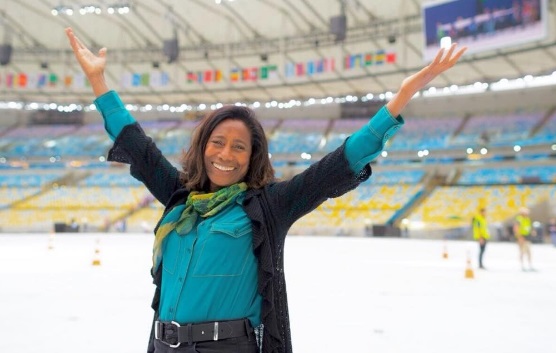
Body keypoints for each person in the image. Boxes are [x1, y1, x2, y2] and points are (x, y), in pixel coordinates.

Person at [65, 27, 466, 353]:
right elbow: (138, 146)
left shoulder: (268, 206)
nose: (226, 154)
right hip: (162, 345)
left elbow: (338, 164)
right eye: (217, 142)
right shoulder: (179, 196)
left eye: (239, 147)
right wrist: (98, 81)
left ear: (252, 157)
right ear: (203, 145)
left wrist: (401, 99)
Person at [514, 207, 535, 271]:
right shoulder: (519, 219)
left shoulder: (527, 219)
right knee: (522, 252)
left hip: (527, 237)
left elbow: (528, 227)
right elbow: (516, 228)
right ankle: (522, 265)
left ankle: (530, 265)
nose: (527, 213)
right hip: (522, 237)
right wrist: (519, 237)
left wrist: (532, 231)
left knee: (529, 252)